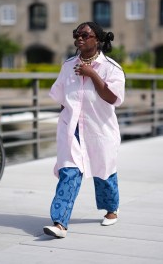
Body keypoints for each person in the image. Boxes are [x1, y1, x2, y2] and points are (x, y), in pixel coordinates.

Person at [43, 21, 125, 238]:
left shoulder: (111, 68)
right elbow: (62, 99)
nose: (79, 38)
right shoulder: (68, 65)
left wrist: (93, 74)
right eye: (76, 34)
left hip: (100, 130)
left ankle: (111, 209)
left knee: (103, 171)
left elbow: (112, 97)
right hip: (72, 130)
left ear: (97, 39)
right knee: (68, 173)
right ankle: (60, 223)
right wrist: (65, 121)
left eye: (85, 35)